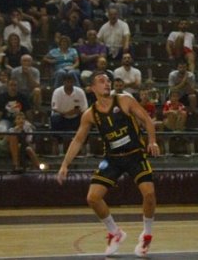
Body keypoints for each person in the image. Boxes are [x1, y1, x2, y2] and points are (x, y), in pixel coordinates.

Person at [57, 71, 159, 257]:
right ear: (92, 88)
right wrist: (65, 164)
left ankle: (147, 234)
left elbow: (146, 119)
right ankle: (115, 232)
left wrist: (152, 141)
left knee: (149, 193)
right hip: (112, 158)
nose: (106, 83)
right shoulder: (90, 114)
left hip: (135, 154)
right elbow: (78, 140)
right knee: (92, 198)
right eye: (101, 81)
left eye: (108, 80)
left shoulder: (124, 100)